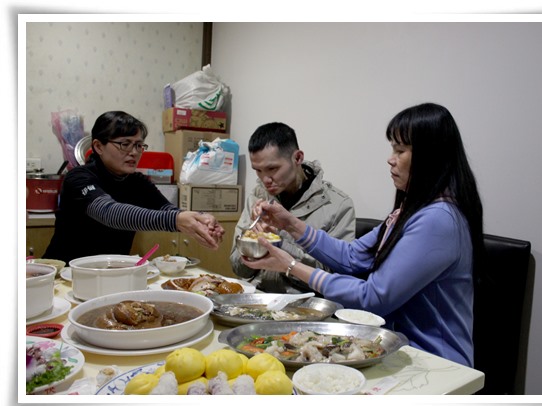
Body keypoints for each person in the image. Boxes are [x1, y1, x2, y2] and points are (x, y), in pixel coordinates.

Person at [241, 103, 484, 368]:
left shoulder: (438, 220)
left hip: (434, 362)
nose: (391, 158)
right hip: (399, 349)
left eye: (400, 150)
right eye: (393, 148)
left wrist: (289, 266)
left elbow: (374, 297)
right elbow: (352, 255)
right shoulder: (411, 211)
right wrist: (290, 224)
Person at [43, 110, 224, 263]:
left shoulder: (137, 181)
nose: (134, 152)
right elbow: (109, 212)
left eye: (138, 145)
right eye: (125, 144)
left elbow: (167, 209)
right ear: (98, 146)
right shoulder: (79, 177)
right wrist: (177, 220)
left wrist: (200, 220)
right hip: (66, 272)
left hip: (114, 272)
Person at [230, 122, 356, 294]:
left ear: (297, 158)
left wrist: (277, 242)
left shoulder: (337, 206)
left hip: (306, 306)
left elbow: (336, 280)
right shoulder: (257, 196)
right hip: (257, 299)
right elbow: (238, 269)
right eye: (258, 170)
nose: (265, 179)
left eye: (272, 168)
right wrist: (251, 241)